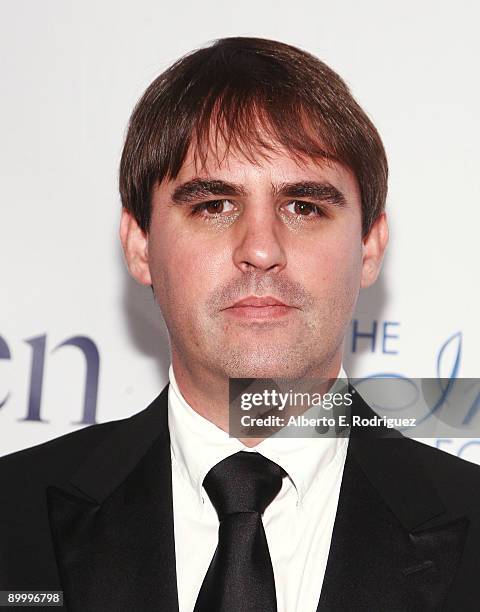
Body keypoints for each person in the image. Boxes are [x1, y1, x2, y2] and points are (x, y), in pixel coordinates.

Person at [1, 36, 479, 612]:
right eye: (213, 205)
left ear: (370, 247)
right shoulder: (12, 515)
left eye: (304, 207)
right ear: (139, 244)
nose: (259, 248)